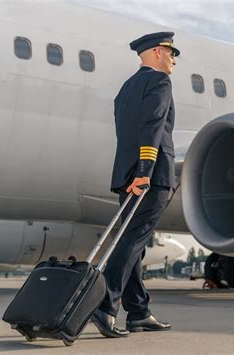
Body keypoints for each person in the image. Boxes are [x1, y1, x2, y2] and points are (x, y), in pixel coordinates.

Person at [92, 31, 179, 338]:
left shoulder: (126, 88)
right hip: (151, 175)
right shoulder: (159, 82)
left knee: (133, 244)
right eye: (171, 54)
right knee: (134, 241)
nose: (174, 61)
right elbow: (153, 125)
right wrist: (146, 170)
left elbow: (124, 131)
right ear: (156, 52)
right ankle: (105, 306)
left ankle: (139, 312)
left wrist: (134, 172)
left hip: (126, 174)